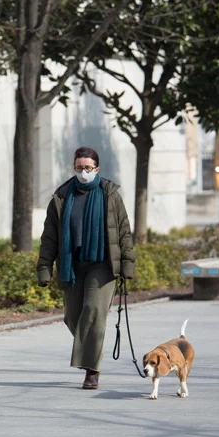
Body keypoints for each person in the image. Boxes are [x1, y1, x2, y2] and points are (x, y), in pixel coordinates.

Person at [36, 146, 135, 389]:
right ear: (74, 168)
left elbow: (123, 232)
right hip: (72, 263)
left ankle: (92, 371)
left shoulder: (109, 195)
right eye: (79, 167)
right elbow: (49, 238)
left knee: (93, 311)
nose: (83, 172)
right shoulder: (61, 197)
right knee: (72, 316)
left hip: (102, 263)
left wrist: (127, 266)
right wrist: (44, 268)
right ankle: (92, 350)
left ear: (97, 169)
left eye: (88, 168)